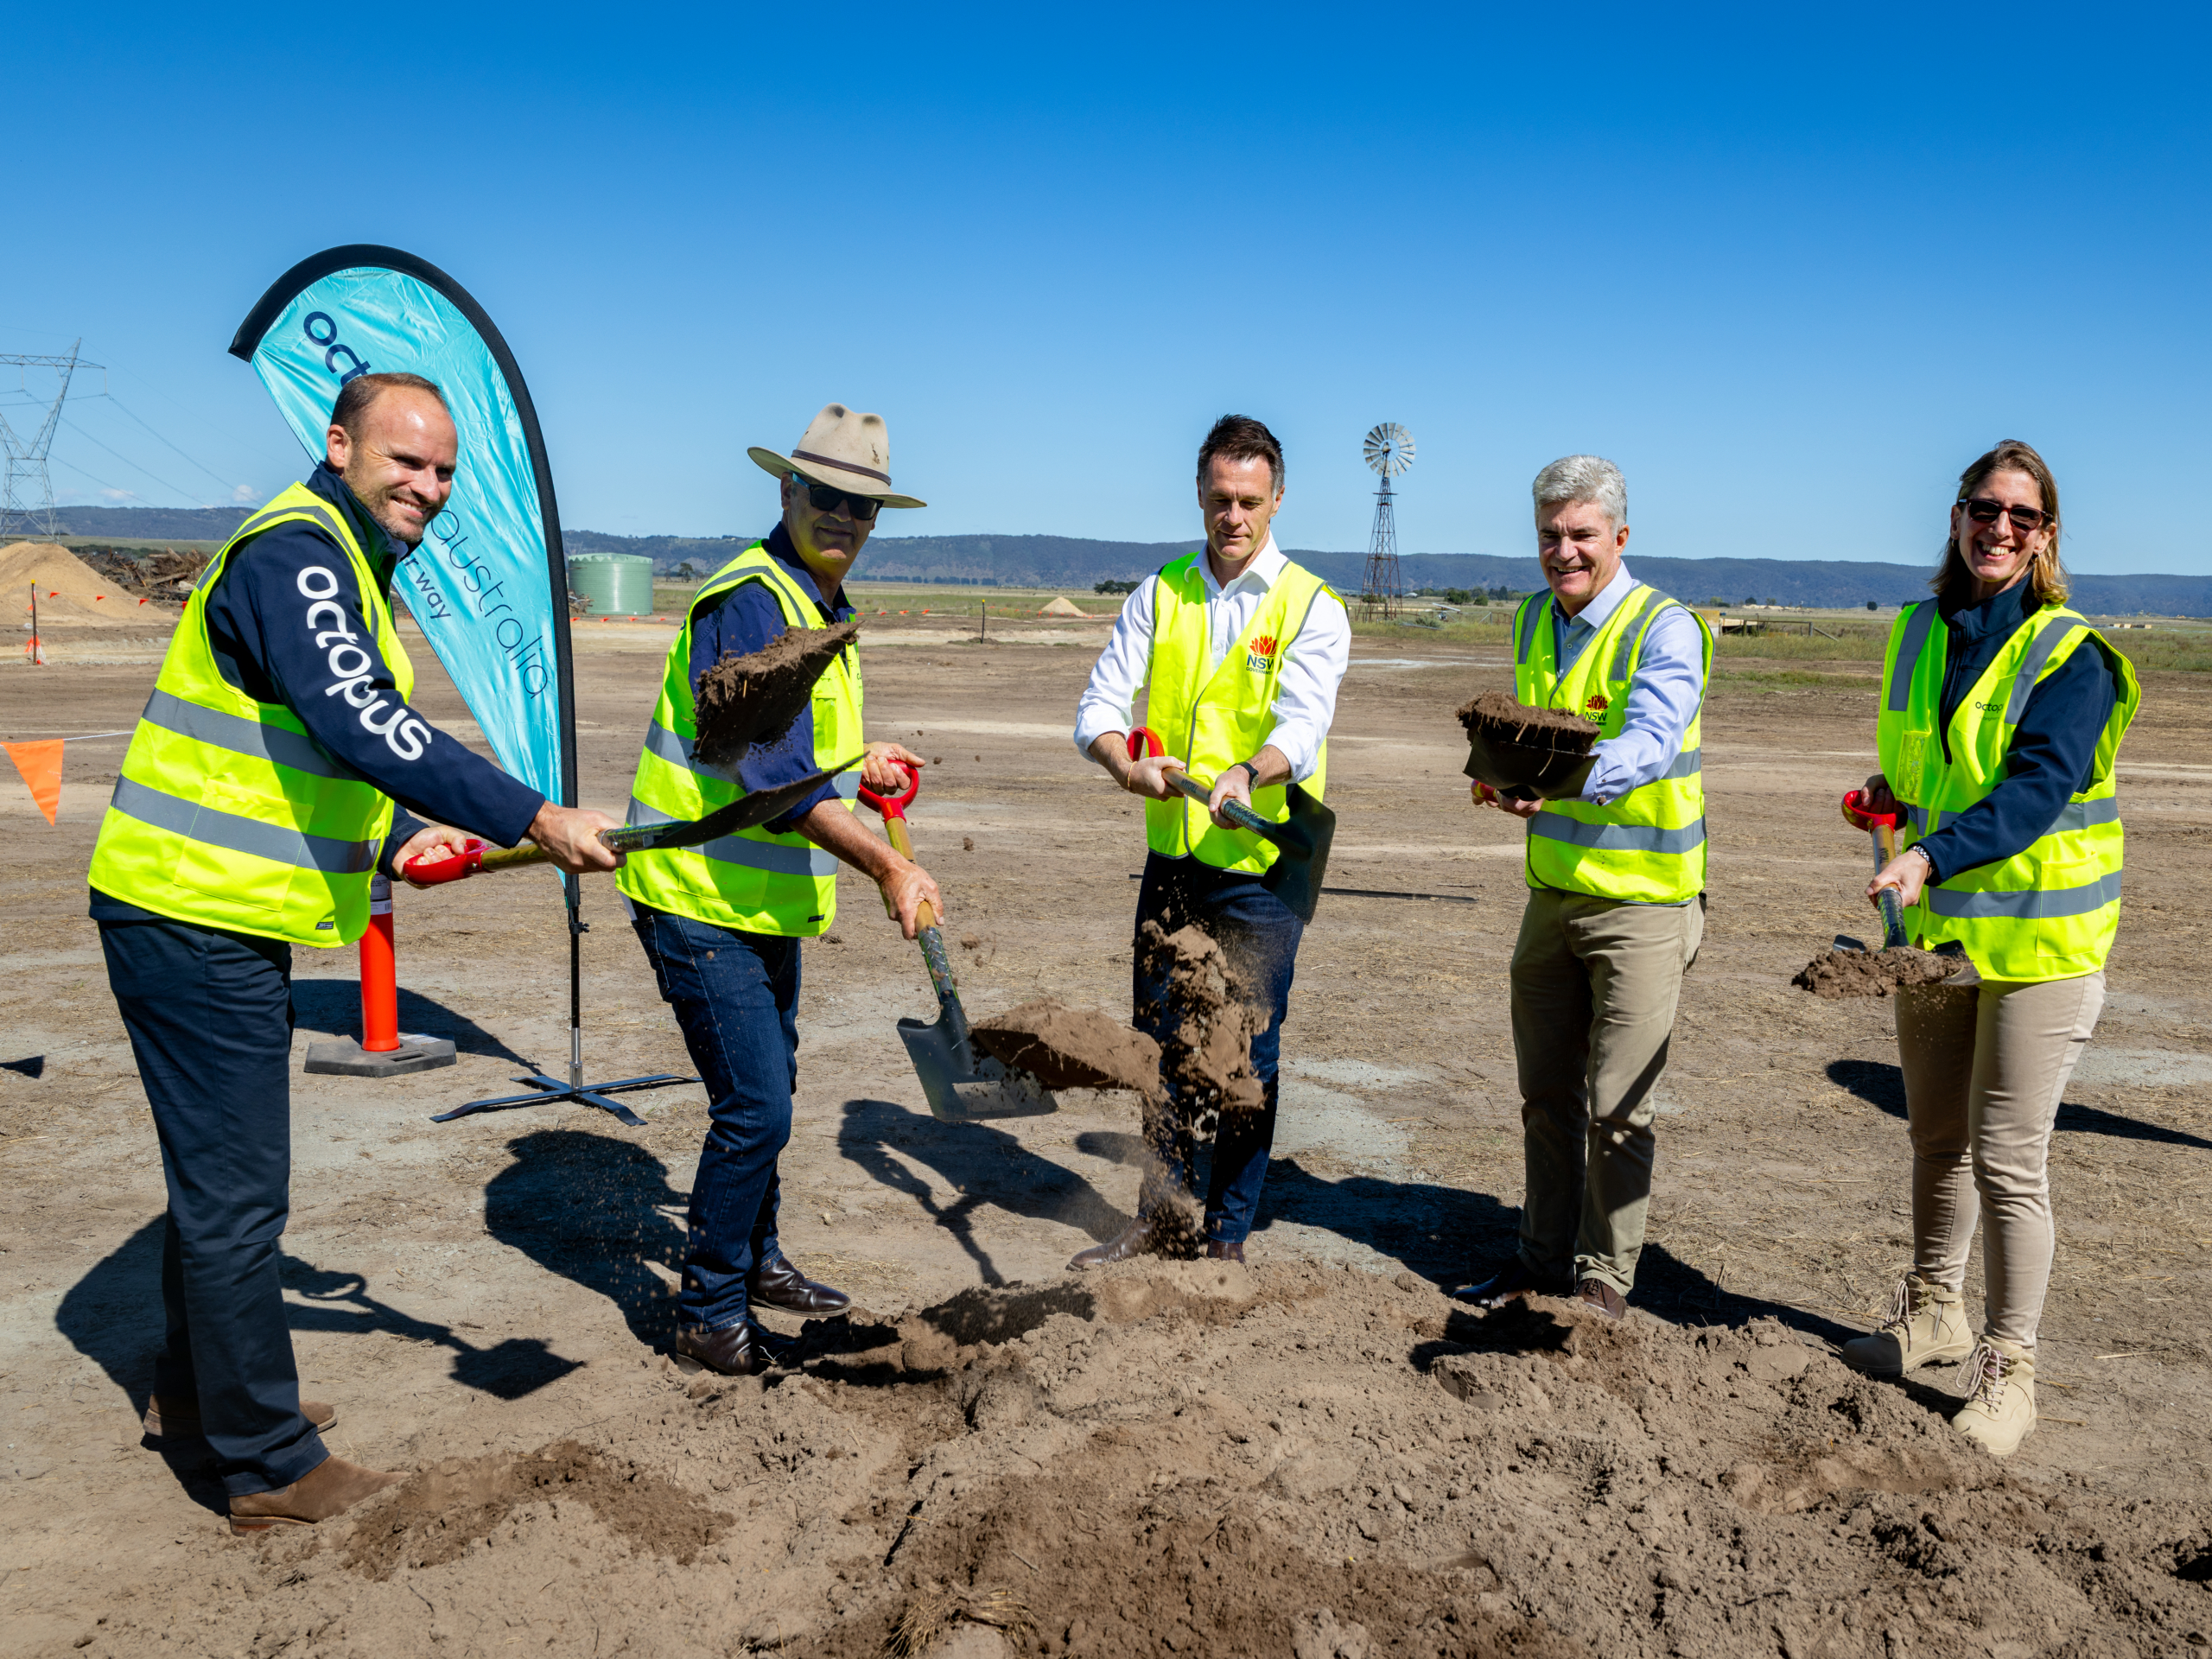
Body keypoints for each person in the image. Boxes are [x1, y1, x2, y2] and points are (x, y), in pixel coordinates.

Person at [86, 372, 622, 1532]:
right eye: (405, 461)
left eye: (442, 471)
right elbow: (359, 715)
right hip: (191, 914)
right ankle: (269, 1463)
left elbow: (299, 753)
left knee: (217, 1190)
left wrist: (398, 836)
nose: (426, 487)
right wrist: (531, 813)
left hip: (212, 908)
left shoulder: (343, 559)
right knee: (239, 1198)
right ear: (340, 445)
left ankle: (198, 1395)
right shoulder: (301, 551)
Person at [616, 404, 941, 1377]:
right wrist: (889, 863)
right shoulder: (751, 601)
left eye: (864, 506)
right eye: (828, 495)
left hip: (753, 903)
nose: (845, 516)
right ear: (787, 489)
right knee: (755, 1106)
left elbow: (802, 753)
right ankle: (710, 1311)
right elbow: (772, 783)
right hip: (693, 893)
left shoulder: (813, 600)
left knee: (772, 1093)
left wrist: (862, 757)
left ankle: (756, 1258)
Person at [1841, 440, 2138, 1457]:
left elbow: (2030, 792)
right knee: (1935, 1140)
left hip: (2042, 946)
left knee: (2008, 1162)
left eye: (2021, 515)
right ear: (1958, 516)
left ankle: (2010, 1368)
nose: (1998, 528)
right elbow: (1936, 764)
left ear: (2047, 535)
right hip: (1939, 936)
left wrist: (1927, 851)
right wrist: (1896, 807)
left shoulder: (2072, 655)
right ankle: (1933, 1313)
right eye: (1982, 508)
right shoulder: (1924, 631)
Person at [1069, 414, 1350, 1266]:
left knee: (1244, 1052)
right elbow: (1096, 711)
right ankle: (1161, 1216)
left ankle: (1224, 1234)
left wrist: (1250, 772)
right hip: (1176, 865)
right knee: (1157, 1043)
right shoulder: (1160, 593)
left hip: (1263, 868)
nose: (1233, 517)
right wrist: (1126, 768)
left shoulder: (1312, 606)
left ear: (1277, 499)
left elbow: (1303, 723)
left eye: (1250, 501)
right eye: (1220, 499)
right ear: (1199, 493)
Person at [1458, 455, 1710, 1322]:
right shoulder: (1532, 620)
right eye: (1549, 536)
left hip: (1641, 901)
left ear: (1620, 538)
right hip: (1551, 897)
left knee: (1619, 1108)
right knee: (1547, 1100)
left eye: (1581, 536)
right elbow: (1536, 735)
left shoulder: (1665, 628)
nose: (1564, 552)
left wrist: (1562, 781)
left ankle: (1602, 1283)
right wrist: (1501, 775)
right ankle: (1537, 1261)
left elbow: (1648, 740)